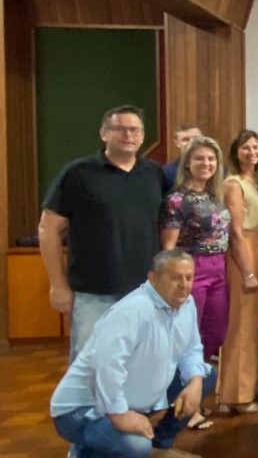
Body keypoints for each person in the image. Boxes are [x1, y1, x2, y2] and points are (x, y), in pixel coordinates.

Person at [51, 250, 214, 458]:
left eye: (189, 277)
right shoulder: (132, 310)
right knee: (136, 449)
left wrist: (195, 383)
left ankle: (158, 448)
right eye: (175, 278)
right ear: (153, 278)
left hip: (129, 400)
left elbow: (191, 349)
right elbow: (105, 367)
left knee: (205, 375)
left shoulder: (187, 304)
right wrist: (120, 415)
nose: (184, 285)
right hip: (82, 409)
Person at [39, 104, 167, 360]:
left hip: (145, 291)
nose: (128, 135)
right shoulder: (78, 173)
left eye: (135, 130)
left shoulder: (153, 173)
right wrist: (58, 285)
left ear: (142, 135)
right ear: (103, 133)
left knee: (140, 365)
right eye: (120, 129)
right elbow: (48, 228)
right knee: (91, 366)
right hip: (93, 294)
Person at [160, 136, 231, 361]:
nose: (206, 163)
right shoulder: (176, 200)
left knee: (216, 329)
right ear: (187, 163)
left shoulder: (215, 196)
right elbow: (168, 246)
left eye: (211, 159)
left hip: (219, 268)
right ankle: (181, 379)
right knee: (188, 330)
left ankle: (199, 373)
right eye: (199, 158)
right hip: (191, 268)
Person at [218, 130, 258, 415]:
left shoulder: (257, 183)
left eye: (256, 147)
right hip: (243, 252)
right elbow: (235, 231)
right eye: (246, 147)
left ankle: (240, 392)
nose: (252, 152)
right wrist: (248, 271)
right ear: (236, 152)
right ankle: (233, 396)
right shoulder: (233, 183)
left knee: (251, 327)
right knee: (239, 325)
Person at [162, 122, 202, 188]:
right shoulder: (166, 173)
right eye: (185, 139)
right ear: (177, 143)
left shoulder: (217, 170)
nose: (191, 143)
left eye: (196, 138)